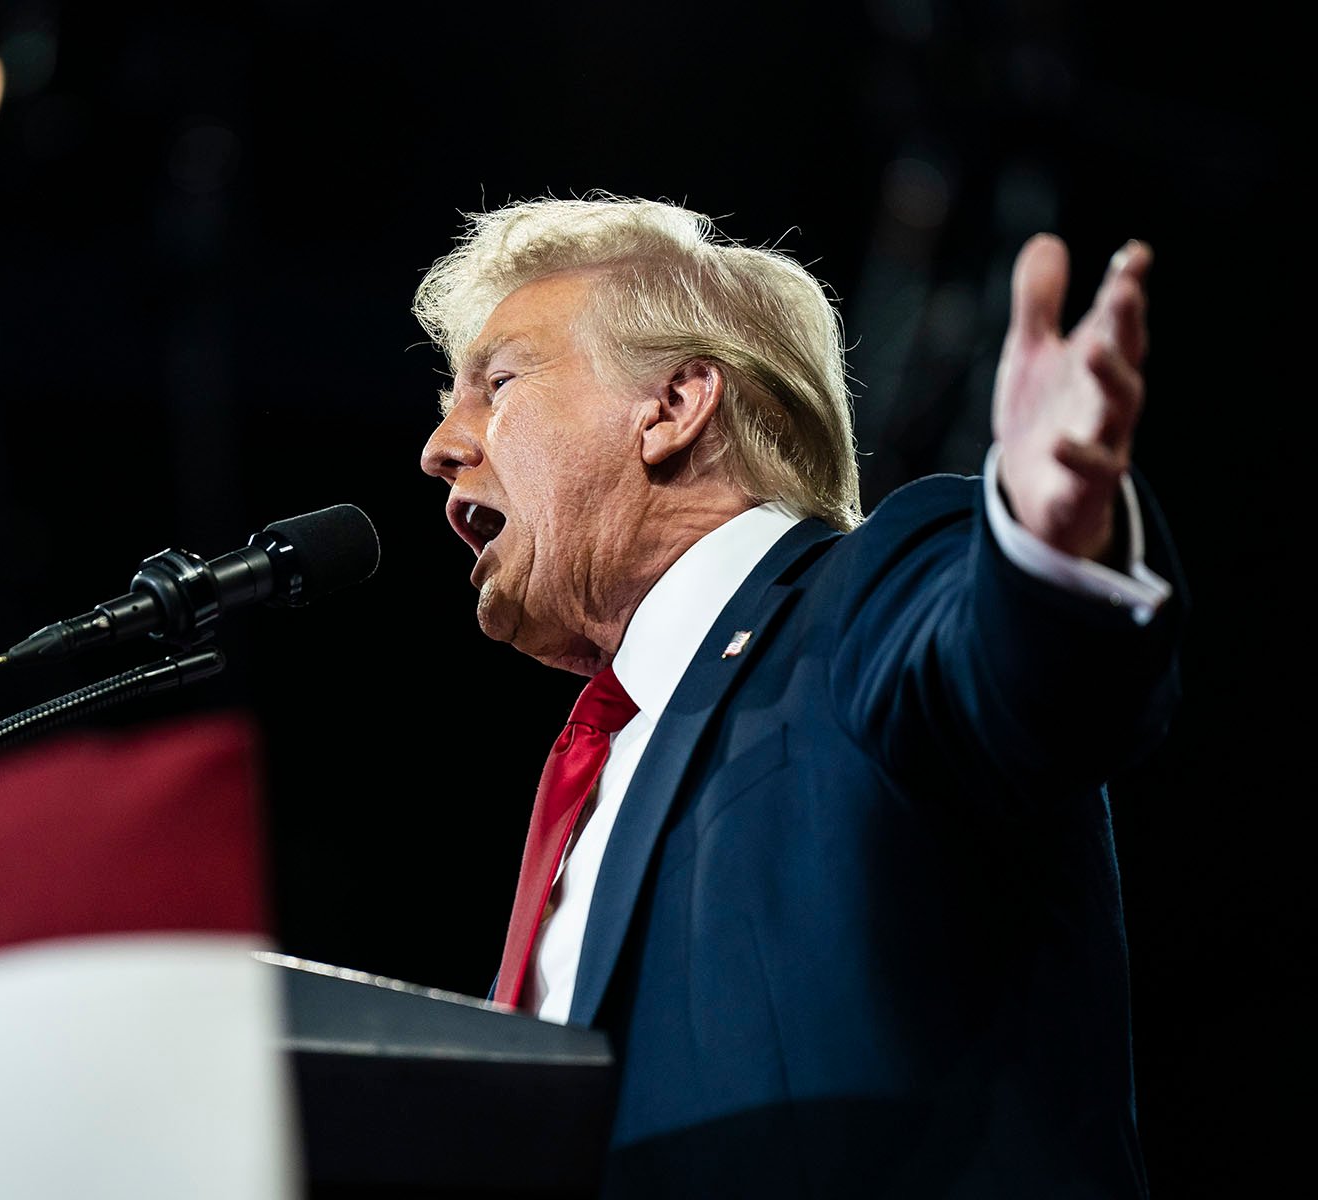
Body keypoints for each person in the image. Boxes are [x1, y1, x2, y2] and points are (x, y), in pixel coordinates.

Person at [414, 195, 1183, 1197]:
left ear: (674, 406)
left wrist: (1047, 545)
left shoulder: (864, 597)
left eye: (497, 382)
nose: (441, 445)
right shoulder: (600, 768)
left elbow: (1026, 679)